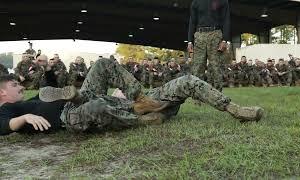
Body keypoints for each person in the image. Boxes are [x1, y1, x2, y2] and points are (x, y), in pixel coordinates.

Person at [0, 58, 263, 136]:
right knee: (96, 105)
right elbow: (2, 127)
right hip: (73, 116)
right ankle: (140, 117)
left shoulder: (33, 97)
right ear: (2, 93)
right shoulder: (11, 111)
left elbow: (47, 87)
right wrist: (23, 116)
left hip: (122, 103)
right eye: (14, 84)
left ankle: (235, 110)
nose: (19, 86)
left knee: (186, 81)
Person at [188, 0, 230, 91]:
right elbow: (192, 21)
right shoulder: (196, 2)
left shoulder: (223, 1)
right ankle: (198, 96)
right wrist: (190, 41)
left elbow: (226, 20)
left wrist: (225, 40)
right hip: (199, 35)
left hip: (215, 35)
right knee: (197, 67)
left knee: (216, 67)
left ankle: (218, 96)